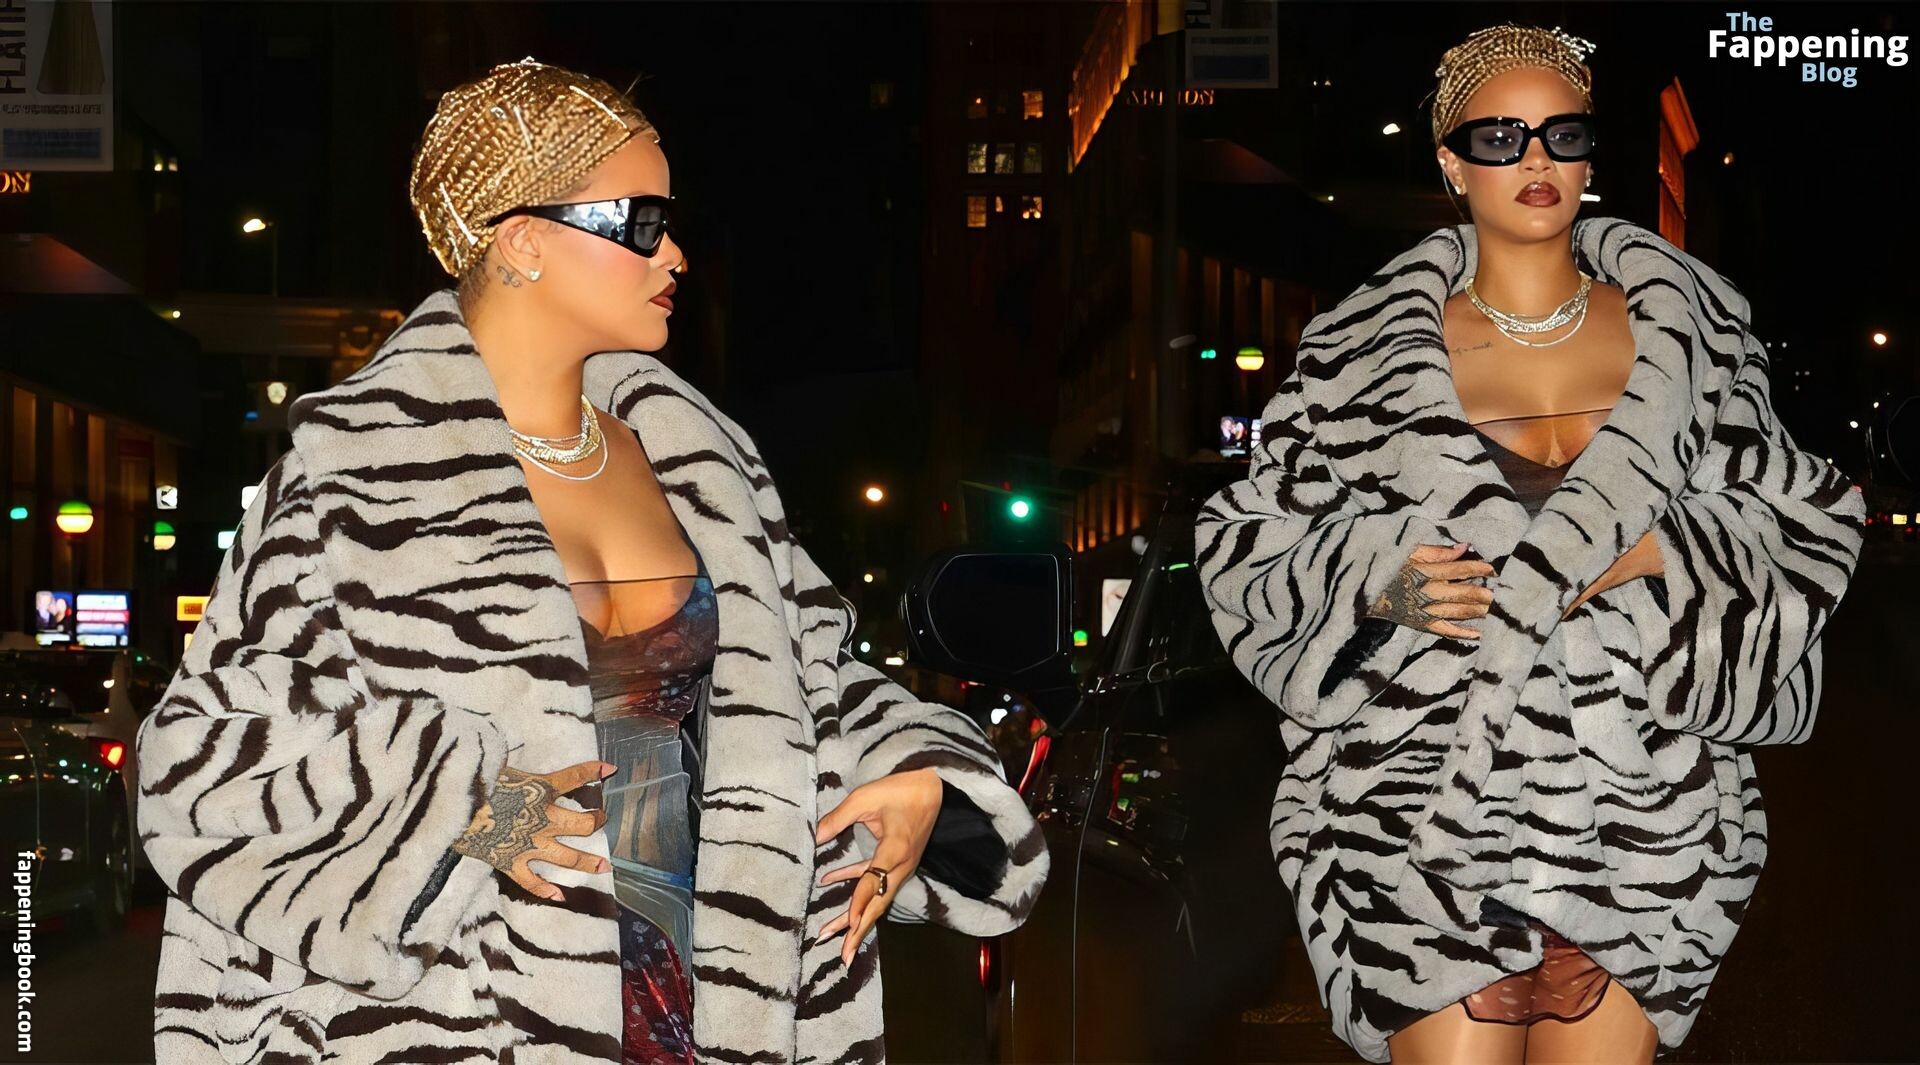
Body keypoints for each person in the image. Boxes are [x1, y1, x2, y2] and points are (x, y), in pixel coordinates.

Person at [136, 57, 1047, 1064]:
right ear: (523, 240)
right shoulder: (354, 476)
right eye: (644, 222)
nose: (677, 255)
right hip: (460, 1020)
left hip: (715, 1009)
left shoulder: (707, 466)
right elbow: (203, 762)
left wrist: (916, 770)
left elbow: (811, 681)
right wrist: (463, 811)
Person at [1195, 24, 1865, 1065]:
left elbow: (1806, 516)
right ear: (1451, 163)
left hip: (1640, 820)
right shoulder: (1352, 359)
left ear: (1592, 156)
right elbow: (1246, 547)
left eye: (1564, 133)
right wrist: (1380, 586)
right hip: (1421, 824)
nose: (1537, 158)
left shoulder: (1696, 339)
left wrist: (1666, 551)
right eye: (1500, 137)